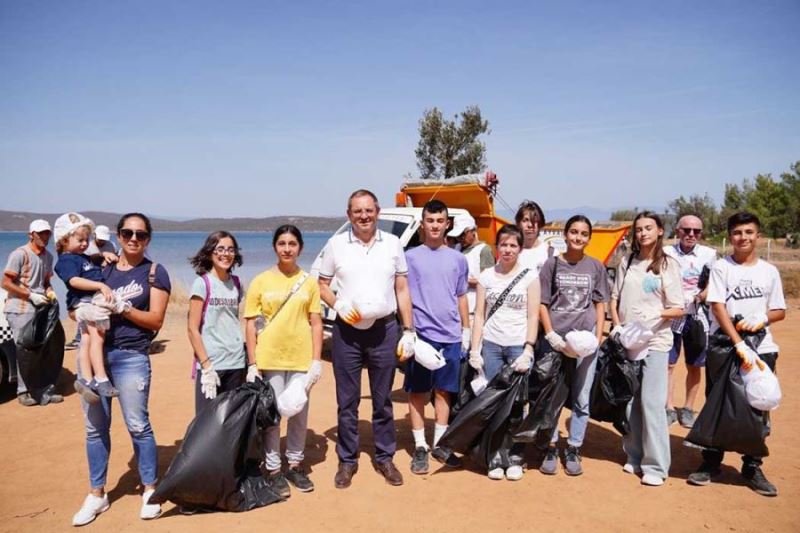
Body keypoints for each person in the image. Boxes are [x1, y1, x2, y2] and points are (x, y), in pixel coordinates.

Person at [72, 213, 171, 526]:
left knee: (138, 425)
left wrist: (124, 309)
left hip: (131, 356)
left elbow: (156, 320)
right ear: (117, 235)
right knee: (94, 427)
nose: (133, 239)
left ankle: (150, 488)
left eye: (140, 235)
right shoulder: (103, 268)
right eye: (127, 232)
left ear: (148, 239)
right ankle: (97, 494)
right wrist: (81, 310)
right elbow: (75, 295)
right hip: (93, 355)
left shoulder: (154, 272)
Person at [318, 189, 415, 489]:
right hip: (346, 332)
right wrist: (338, 305)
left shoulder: (393, 244)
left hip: (384, 331)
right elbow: (321, 284)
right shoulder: (336, 245)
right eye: (357, 211)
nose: (363, 216)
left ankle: (385, 457)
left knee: (383, 399)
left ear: (377, 212)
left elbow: (401, 288)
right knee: (347, 402)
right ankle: (347, 460)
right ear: (349, 215)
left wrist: (409, 330)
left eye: (369, 210)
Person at [687, 212, 786, 497]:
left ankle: (752, 465)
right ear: (730, 236)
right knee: (718, 401)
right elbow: (717, 305)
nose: (743, 237)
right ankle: (711, 461)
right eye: (738, 232)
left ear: (758, 236)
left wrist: (762, 321)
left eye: (749, 232)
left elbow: (779, 310)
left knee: (759, 403)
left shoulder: (769, 272)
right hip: (725, 346)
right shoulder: (721, 267)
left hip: (761, 348)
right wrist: (738, 343)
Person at [244, 224, 323, 496]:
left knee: (299, 414)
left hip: (301, 360)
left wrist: (316, 360)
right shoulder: (261, 280)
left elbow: (315, 323)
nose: (287, 248)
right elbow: (251, 324)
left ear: (300, 247)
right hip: (271, 358)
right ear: (275, 247)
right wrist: (253, 362)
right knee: (273, 415)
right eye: (282, 244)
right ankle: (274, 469)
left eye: (292, 243)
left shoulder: (309, 281)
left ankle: (295, 465)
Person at [610, 211, 684, 487]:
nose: (643, 233)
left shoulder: (668, 265)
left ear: (660, 231)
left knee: (652, 403)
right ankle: (635, 454)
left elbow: (678, 307)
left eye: (648, 228)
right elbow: (614, 297)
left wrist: (654, 319)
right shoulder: (627, 261)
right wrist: (618, 326)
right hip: (629, 342)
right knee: (632, 402)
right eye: (639, 229)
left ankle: (656, 465)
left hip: (655, 342)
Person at [538, 215, 609, 476]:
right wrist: (550, 335)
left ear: (589, 238)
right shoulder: (551, 265)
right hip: (557, 341)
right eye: (574, 232)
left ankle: (574, 447)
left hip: (586, 341)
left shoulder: (596, 267)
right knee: (553, 396)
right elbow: (542, 303)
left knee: (581, 396)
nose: (578, 238)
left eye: (583, 234)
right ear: (565, 235)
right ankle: (550, 446)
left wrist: (598, 337)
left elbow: (601, 303)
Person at [469, 224, 540, 481]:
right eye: (504, 244)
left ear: (520, 248)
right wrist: (475, 348)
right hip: (491, 346)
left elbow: (533, 315)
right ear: (496, 247)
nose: (508, 250)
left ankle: (515, 457)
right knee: (493, 403)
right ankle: (494, 457)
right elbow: (478, 314)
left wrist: (529, 348)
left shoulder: (530, 276)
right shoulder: (487, 276)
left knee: (518, 404)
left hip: (517, 346)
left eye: (513, 245)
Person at [404, 200, 470, 474]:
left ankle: (440, 444)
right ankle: (420, 446)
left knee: (444, 392)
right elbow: (402, 294)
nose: (434, 225)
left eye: (439, 221)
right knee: (418, 391)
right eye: (430, 221)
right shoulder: (409, 257)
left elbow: (461, 295)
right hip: (422, 336)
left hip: (450, 336)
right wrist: (407, 331)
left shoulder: (458, 258)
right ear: (423, 224)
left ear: (447, 224)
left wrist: (466, 329)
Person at [53, 212, 119, 402]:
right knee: (97, 336)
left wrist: (104, 255)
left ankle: (85, 379)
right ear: (64, 240)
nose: (84, 243)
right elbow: (73, 280)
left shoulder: (81, 257)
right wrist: (100, 285)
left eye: (86, 239)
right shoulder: (67, 260)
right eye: (80, 240)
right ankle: (101, 378)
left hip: (83, 303)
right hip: (84, 302)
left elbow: (94, 260)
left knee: (87, 340)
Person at [663, 215, 717, 428]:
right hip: (672, 316)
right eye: (686, 230)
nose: (691, 234)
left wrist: (701, 296)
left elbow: (715, 283)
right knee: (668, 364)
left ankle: (687, 408)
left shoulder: (709, 255)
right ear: (677, 231)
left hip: (698, 317)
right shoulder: (666, 253)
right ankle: (668, 408)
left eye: (696, 231)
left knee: (695, 365)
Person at [1, 219, 62, 406]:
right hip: (20, 309)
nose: (45, 237)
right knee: (25, 350)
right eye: (40, 233)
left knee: (42, 350)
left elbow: (45, 282)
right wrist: (30, 295)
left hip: (40, 309)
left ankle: (42, 388)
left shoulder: (48, 257)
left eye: (47, 233)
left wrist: (50, 292)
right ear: (31, 234)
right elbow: (5, 282)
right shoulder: (20, 254)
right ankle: (23, 391)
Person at [187, 231, 246, 414]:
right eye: (220, 249)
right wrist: (206, 367)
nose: (225, 254)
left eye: (230, 249)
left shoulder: (236, 283)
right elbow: (192, 328)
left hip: (236, 363)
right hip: (212, 364)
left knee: (230, 422)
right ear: (210, 252)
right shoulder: (202, 283)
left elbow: (235, 320)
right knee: (206, 424)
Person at [66, 224, 120, 351]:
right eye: (100, 239)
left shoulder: (111, 245)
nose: (102, 241)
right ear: (94, 236)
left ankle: (104, 338)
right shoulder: (88, 246)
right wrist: (102, 255)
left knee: (102, 309)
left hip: (104, 279)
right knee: (85, 310)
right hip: (88, 282)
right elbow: (87, 260)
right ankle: (79, 338)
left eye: (104, 239)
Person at [448, 213, 494, 316]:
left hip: (473, 310)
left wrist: (462, 280)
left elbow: (488, 282)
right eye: (458, 236)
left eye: (463, 234)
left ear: (473, 230)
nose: (460, 238)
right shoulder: (456, 248)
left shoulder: (484, 250)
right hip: (455, 309)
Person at [516, 200, 553, 275]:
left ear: (540, 224)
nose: (530, 225)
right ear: (518, 223)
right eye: (525, 220)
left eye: (535, 221)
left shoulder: (551, 253)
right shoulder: (511, 252)